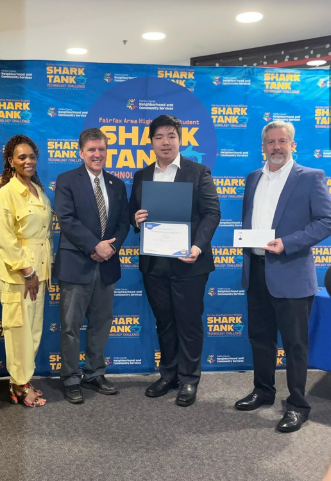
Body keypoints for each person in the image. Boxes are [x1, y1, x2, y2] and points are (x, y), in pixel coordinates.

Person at [234, 121, 331, 432]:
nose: (275, 147)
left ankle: (298, 404)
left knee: (295, 345)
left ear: (292, 144)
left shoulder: (311, 177)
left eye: (282, 141)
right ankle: (263, 391)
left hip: (291, 272)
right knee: (260, 339)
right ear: (263, 146)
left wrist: (287, 243)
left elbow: (327, 220)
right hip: (257, 270)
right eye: (270, 142)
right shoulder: (253, 178)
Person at [128, 114, 220, 406]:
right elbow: (133, 213)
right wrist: (136, 218)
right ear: (151, 142)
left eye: (171, 136)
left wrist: (197, 246)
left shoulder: (198, 171)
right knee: (164, 322)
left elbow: (211, 213)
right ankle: (168, 374)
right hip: (155, 263)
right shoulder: (141, 176)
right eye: (159, 137)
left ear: (180, 140)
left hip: (189, 262)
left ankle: (190, 379)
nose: (165, 142)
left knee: (188, 322)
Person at [54, 128, 129, 403]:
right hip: (76, 265)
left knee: (100, 323)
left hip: (107, 265)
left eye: (101, 149)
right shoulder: (66, 180)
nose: (97, 154)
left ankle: (95, 373)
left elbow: (123, 222)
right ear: (81, 152)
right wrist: (94, 245)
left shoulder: (117, 185)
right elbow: (66, 219)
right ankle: (71, 377)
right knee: (71, 325)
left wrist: (111, 247)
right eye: (91, 150)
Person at [0, 135, 52, 407]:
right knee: (19, 332)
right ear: (10, 161)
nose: (28, 161)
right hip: (20, 275)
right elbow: (6, 238)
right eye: (21, 157)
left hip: (39, 272)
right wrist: (27, 271)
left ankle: (22, 379)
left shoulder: (38, 189)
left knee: (33, 331)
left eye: (31, 156)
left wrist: (38, 272)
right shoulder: (7, 192)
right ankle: (20, 384)